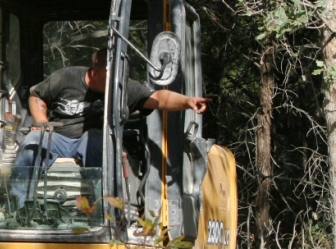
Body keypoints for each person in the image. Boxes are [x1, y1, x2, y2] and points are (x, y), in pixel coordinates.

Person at [13, 49, 210, 176]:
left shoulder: (122, 86)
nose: (116, 82)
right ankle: (18, 204)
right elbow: (36, 95)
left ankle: (99, 209)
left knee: (96, 139)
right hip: (59, 137)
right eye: (110, 77)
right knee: (32, 140)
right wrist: (41, 121)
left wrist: (187, 101)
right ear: (94, 72)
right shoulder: (66, 77)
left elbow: (159, 98)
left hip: (95, 141)